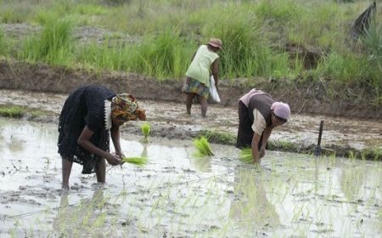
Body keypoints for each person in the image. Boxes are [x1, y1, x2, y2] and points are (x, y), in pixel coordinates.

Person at [58, 85, 146, 190]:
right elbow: (82, 140)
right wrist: (107, 156)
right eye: (122, 121)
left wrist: (118, 151)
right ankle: (65, 185)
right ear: (114, 115)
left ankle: (101, 185)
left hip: (95, 103)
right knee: (70, 142)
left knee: (101, 143)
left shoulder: (115, 107)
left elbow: (115, 127)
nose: (123, 124)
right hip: (78, 105)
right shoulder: (98, 115)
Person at [236, 89, 290, 163]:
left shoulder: (276, 116)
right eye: (277, 120)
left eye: (281, 122)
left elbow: (269, 128)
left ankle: (253, 158)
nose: (277, 124)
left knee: (260, 142)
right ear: (272, 114)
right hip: (246, 103)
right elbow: (254, 142)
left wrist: (263, 146)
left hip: (261, 100)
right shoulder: (262, 117)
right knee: (248, 136)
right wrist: (256, 164)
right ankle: (246, 161)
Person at [183, 38, 222, 117]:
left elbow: (193, 58)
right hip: (202, 75)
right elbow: (215, 71)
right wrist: (216, 82)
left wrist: (194, 68)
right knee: (203, 98)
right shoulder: (215, 56)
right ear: (216, 48)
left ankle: (188, 113)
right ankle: (203, 116)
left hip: (191, 71)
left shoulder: (201, 47)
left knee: (190, 95)